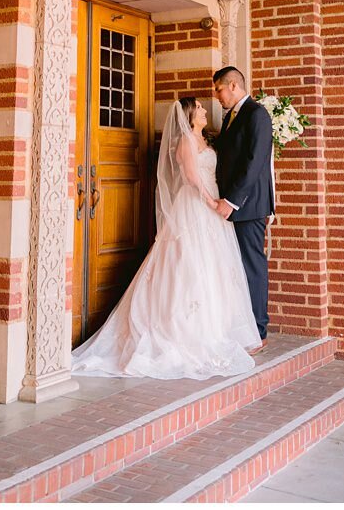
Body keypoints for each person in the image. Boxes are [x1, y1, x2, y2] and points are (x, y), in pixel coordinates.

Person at [71, 96, 261, 379]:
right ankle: (180, 331)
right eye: (198, 108)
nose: (204, 111)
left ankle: (213, 328)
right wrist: (212, 203)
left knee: (213, 268)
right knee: (188, 265)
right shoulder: (185, 142)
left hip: (212, 209)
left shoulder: (208, 141)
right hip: (196, 205)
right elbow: (192, 178)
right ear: (189, 116)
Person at [211, 64, 275, 343]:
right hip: (233, 206)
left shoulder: (256, 114)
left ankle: (258, 332)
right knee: (236, 267)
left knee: (252, 267)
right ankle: (242, 327)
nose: (217, 96)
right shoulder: (230, 118)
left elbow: (254, 162)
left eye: (218, 89)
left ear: (233, 85)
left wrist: (232, 201)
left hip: (248, 205)